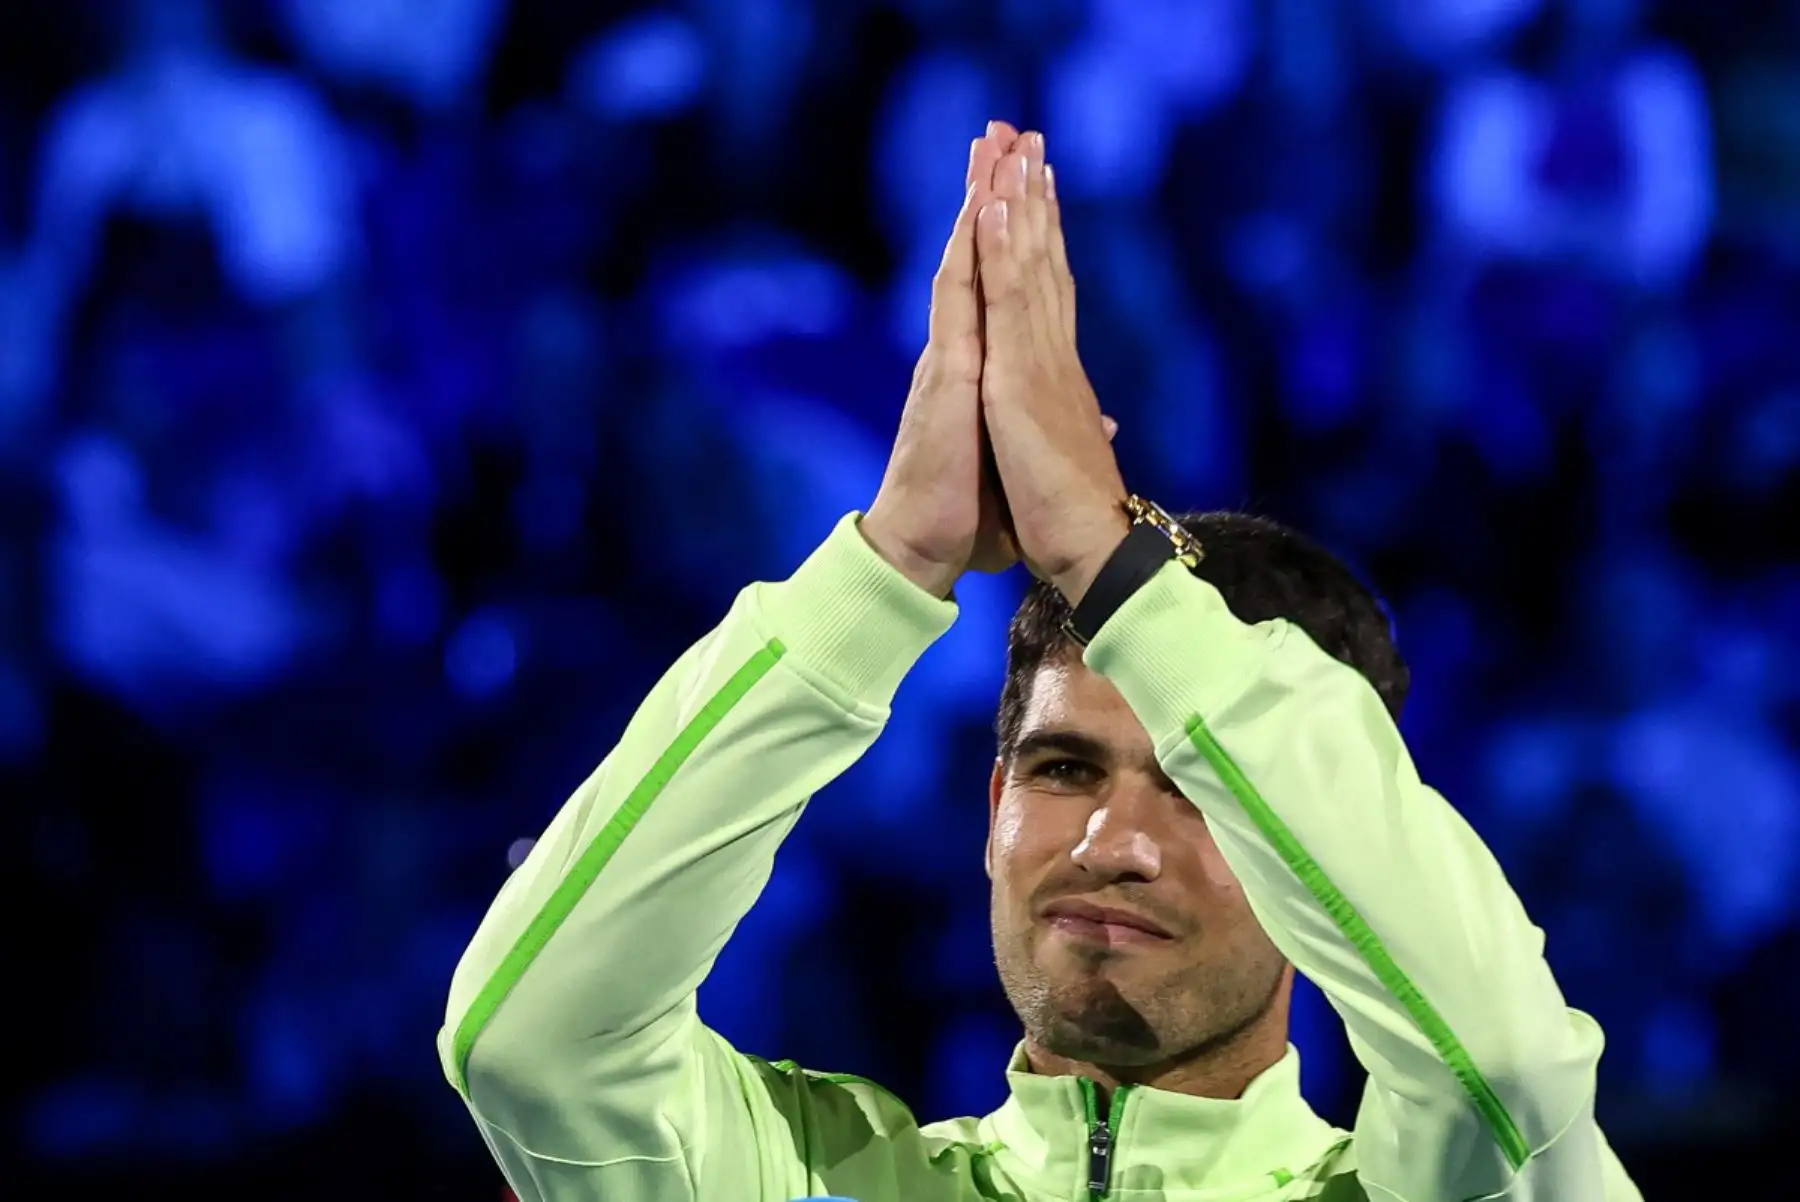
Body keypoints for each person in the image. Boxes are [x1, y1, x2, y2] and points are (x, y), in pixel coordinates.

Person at [438, 123, 1644, 1202]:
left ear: (1313, 840)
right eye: (1064, 767)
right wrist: (892, 561)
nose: (1108, 842)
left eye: (1193, 779)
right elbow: (529, 1042)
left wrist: (1106, 564)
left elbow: (1504, 1064)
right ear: (993, 803)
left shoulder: (1458, 1185)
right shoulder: (804, 1179)